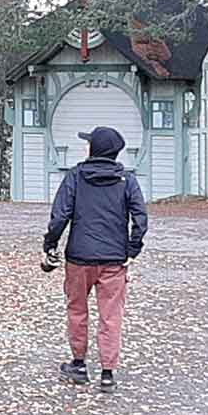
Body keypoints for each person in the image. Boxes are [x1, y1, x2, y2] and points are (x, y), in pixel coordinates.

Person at [42, 124, 148, 391]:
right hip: (114, 260)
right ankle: (107, 373)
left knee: (77, 310)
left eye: (88, 142)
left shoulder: (76, 176)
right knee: (111, 316)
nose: (85, 145)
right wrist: (132, 251)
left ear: (95, 148)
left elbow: (59, 216)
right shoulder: (127, 180)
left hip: (79, 258)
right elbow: (141, 220)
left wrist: (50, 245)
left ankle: (78, 365)